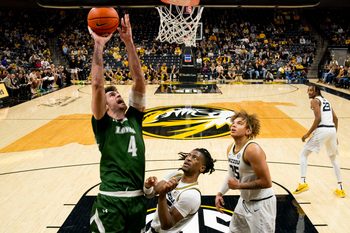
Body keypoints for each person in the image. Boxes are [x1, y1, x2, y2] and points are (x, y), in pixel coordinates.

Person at [89, 14, 148, 232]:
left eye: (117, 92)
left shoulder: (134, 118)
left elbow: (139, 81)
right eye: (111, 95)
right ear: (104, 106)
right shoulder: (102, 123)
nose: (117, 95)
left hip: (137, 199)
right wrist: (98, 44)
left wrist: (129, 42)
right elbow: (97, 84)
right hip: (111, 199)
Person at [215, 110, 276, 233]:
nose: (233, 125)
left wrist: (239, 185)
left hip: (261, 204)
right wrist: (220, 193)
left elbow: (266, 182)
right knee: (234, 231)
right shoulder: (230, 148)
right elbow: (231, 174)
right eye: (233, 123)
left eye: (239, 123)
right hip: (244, 201)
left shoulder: (253, 150)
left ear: (248, 131)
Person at [144, 148, 216, 233]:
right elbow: (150, 194)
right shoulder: (175, 175)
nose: (188, 158)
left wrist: (162, 195)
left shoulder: (191, 195)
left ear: (202, 168)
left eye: (194, 158)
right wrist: (148, 186)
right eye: (189, 155)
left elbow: (166, 225)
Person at [293, 84, 346, 198]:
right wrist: (335, 134)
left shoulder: (314, 101)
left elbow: (318, 118)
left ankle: (302, 182)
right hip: (331, 129)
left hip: (323, 130)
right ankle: (340, 188)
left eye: (311, 90)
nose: (309, 92)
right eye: (308, 90)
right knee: (333, 158)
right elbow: (335, 119)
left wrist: (308, 134)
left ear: (317, 91)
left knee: (303, 154)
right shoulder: (326, 101)